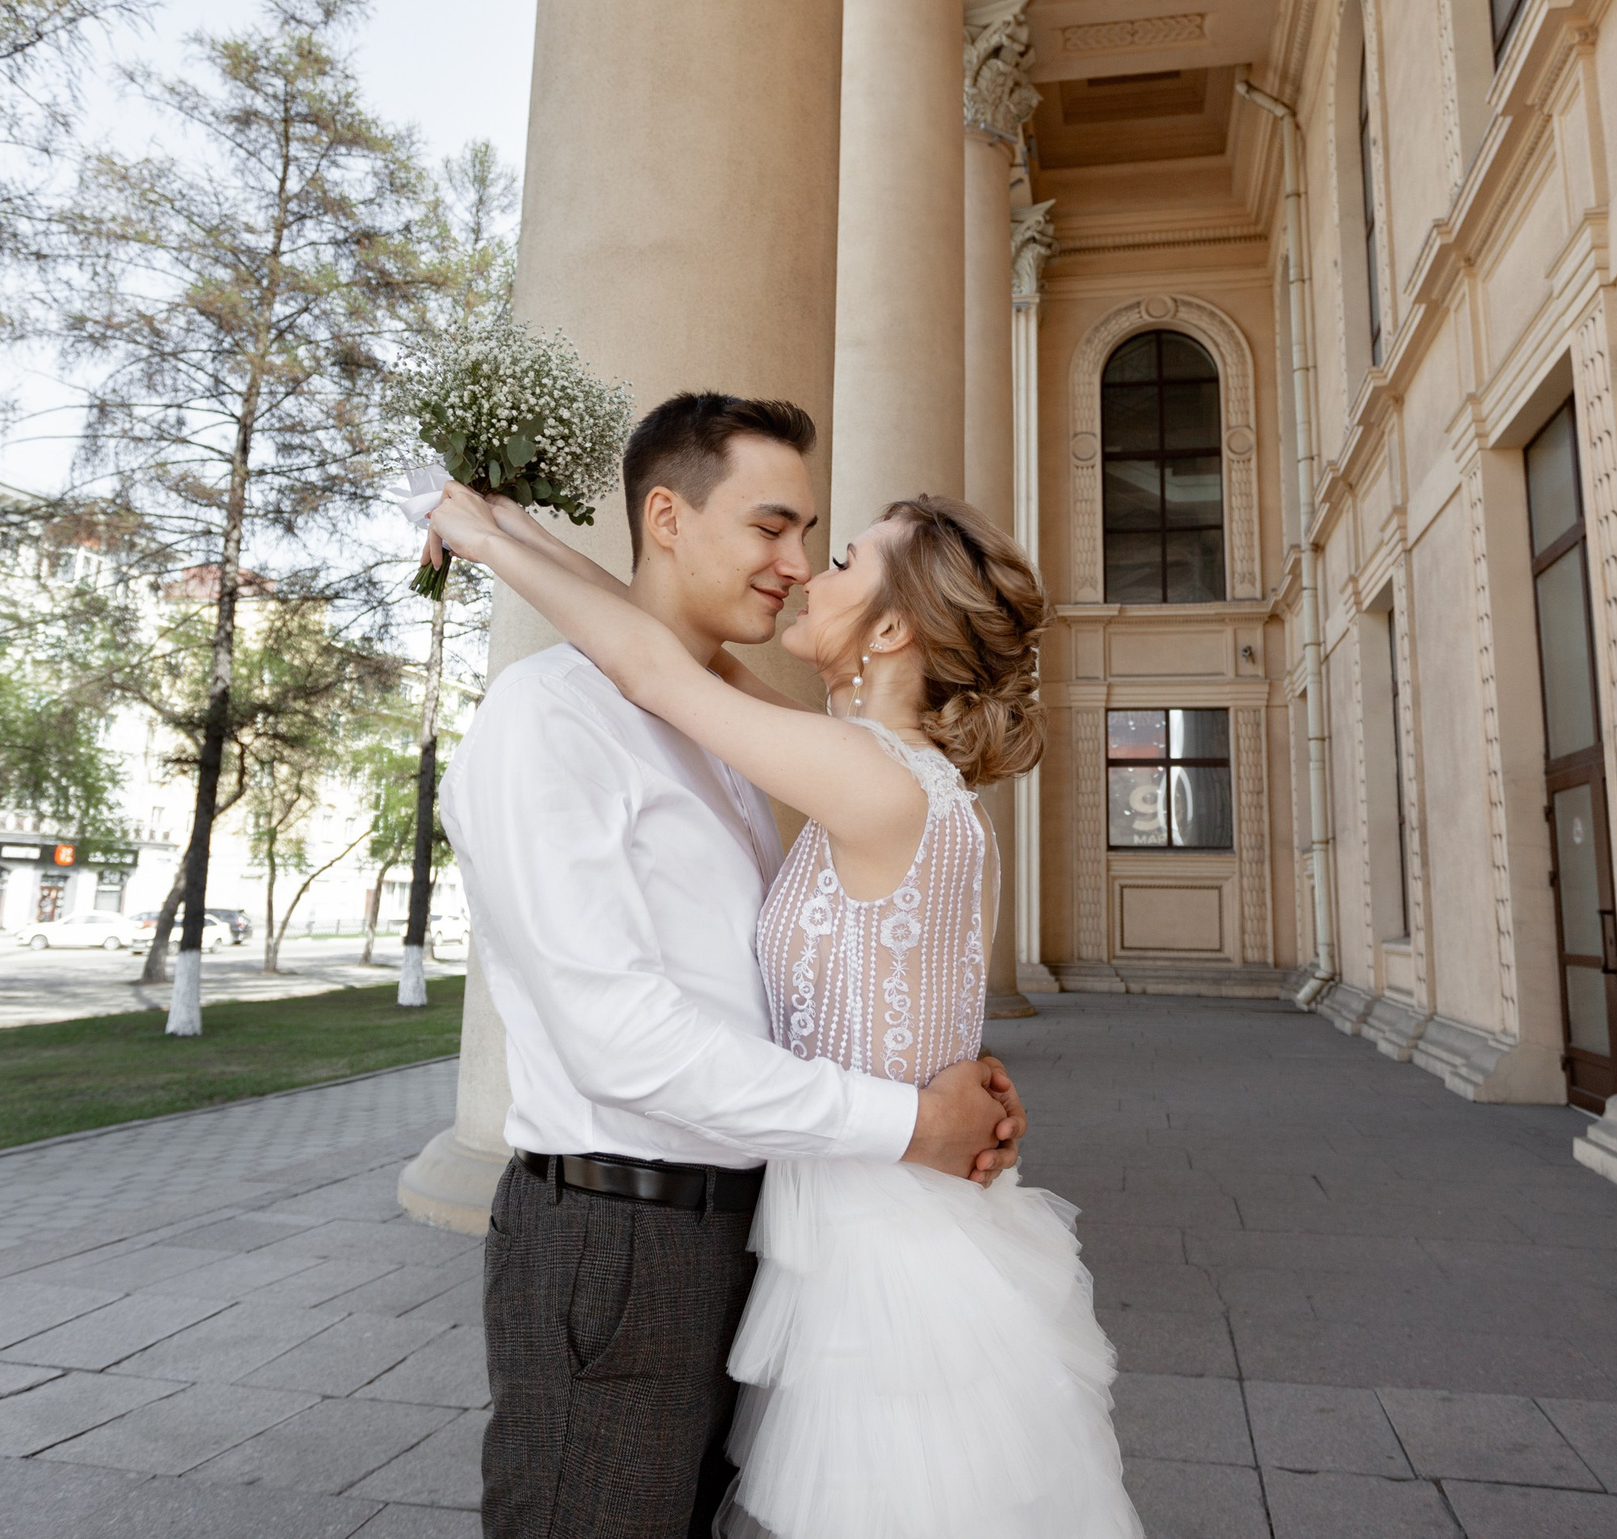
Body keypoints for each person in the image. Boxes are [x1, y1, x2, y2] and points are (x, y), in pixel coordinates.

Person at [431, 396, 1140, 1539]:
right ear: (668, 516)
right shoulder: (781, 752)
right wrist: (501, 530)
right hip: (654, 1231)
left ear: (895, 632)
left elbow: (662, 675)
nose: (804, 571)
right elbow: (656, 664)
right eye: (778, 531)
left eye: (835, 550)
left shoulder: (846, 771)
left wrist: (494, 540)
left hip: (816, 1232)